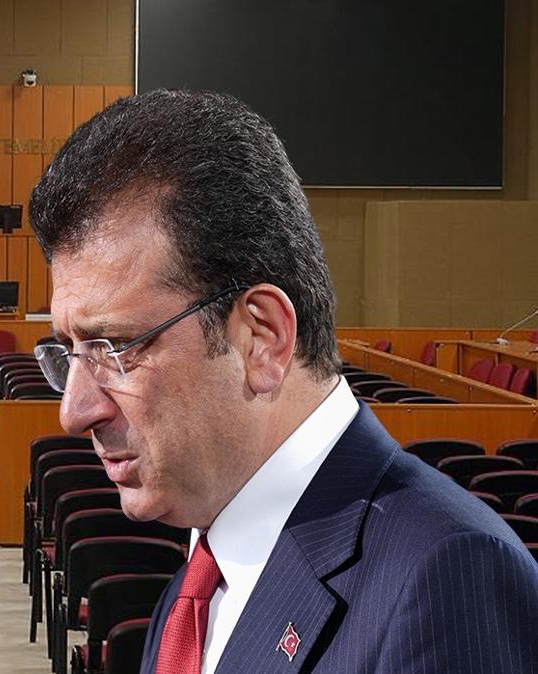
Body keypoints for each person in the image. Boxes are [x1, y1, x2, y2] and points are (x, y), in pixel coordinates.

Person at [28, 89, 538, 673]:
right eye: (70, 351)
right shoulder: (197, 577)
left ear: (261, 338)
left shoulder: (450, 577)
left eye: (114, 347)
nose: (75, 410)